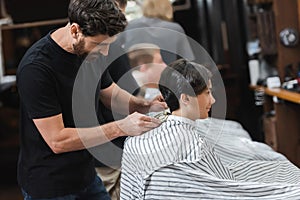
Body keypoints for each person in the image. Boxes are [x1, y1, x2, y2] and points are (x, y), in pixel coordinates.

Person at [16, 0, 166, 199]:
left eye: (107, 45)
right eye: (99, 45)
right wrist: (121, 127)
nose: (104, 52)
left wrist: (144, 106)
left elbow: (109, 92)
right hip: (49, 184)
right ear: (75, 30)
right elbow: (57, 140)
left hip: (86, 174)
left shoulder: (94, 51)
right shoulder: (36, 69)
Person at [121, 59, 300, 199]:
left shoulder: (148, 134)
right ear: (185, 98)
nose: (213, 100)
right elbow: (222, 187)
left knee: (280, 168)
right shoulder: (186, 141)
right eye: (207, 93)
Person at [121, 0, 195, 64]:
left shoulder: (130, 26)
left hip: (133, 75)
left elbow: (117, 49)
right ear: (167, 8)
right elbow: (187, 60)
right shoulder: (174, 28)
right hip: (166, 76)